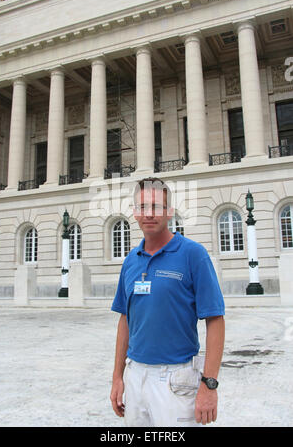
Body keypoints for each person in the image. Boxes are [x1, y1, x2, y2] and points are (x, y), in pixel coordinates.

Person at [110, 177, 225, 427]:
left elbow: (215, 320)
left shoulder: (193, 254)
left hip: (176, 379)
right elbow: (125, 319)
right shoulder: (131, 261)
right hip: (135, 376)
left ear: (169, 212)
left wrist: (210, 384)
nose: (148, 214)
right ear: (134, 212)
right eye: (142, 207)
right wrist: (117, 377)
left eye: (156, 207)